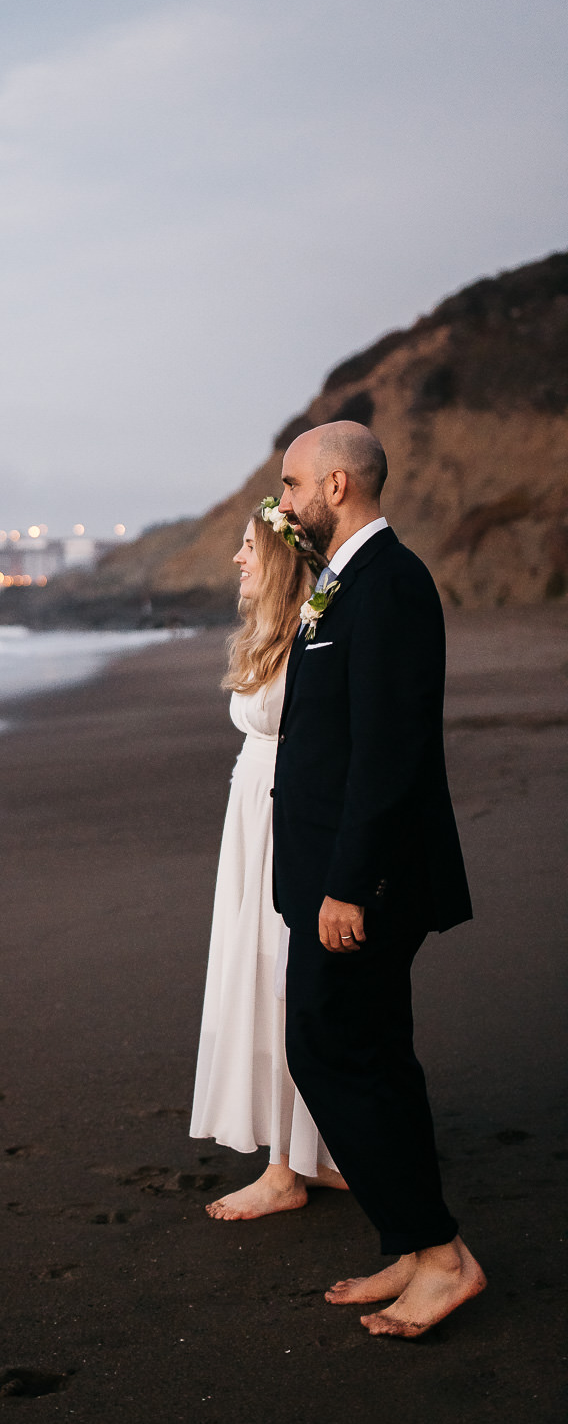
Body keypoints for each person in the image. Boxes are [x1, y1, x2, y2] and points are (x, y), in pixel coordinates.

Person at [274, 419, 487, 1338]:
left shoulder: (391, 584)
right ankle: (414, 1246)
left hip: (364, 881)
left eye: (289, 486)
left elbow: (390, 752)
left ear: (334, 487)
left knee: (331, 1049)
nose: (279, 502)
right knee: (378, 1056)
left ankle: (442, 1256)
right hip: (336, 869)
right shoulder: (343, 582)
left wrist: (349, 884)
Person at [191, 501, 349, 1219]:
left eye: (249, 546)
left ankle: (289, 1168)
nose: (237, 559)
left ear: (281, 560)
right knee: (262, 975)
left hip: (284, 819)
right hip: (252, 816)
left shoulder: (311, 636)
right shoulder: (271, 634)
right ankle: (303, 1152)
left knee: (279, 978)